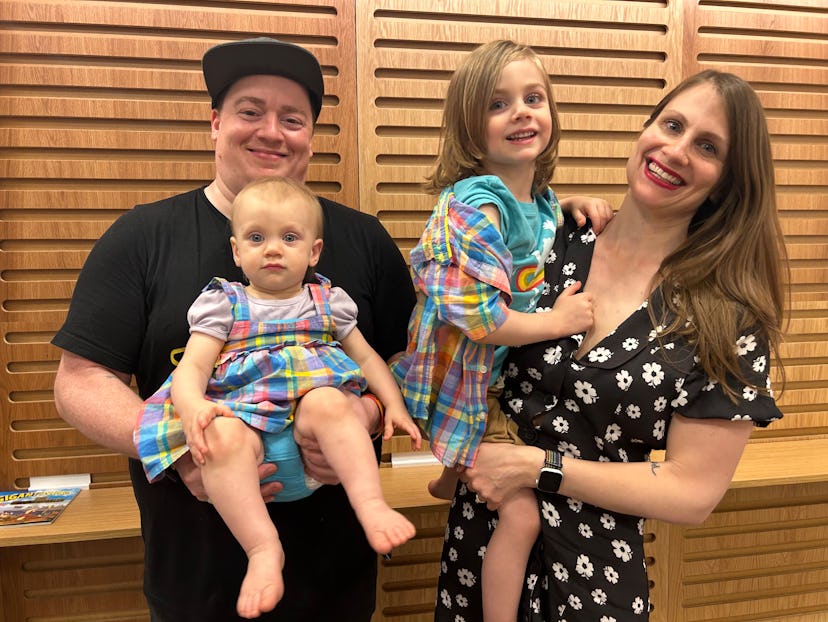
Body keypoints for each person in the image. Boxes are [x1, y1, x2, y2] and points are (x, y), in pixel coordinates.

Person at [51, 37, 416, 622]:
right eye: (250, 111)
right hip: (196, 582)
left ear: (310, 138)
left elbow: (404, 363)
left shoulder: (364, 240)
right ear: (215, 123)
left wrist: (365, 414)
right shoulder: (141, 238)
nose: (271, 131)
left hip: (337, 580)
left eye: (291, 119)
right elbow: (79, 381)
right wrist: (180, 448)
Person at [434, 69, 788, 622]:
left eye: (708, 147)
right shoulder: (552, 240)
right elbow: (458, 321)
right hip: (480, 540)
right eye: (671, 125)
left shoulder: (728, 317)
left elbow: (691, 493)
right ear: (645, 128)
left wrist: (540, 468)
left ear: (728, 183)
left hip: (594, 574)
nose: (675, 151)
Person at [390, 40, 610, 622]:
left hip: (494, 383)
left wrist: (573, 204)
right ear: (469, 128)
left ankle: (449, 474)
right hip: (468, 377)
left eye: (533, 98)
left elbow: (537, 231)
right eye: (498, 103)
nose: (521, 112)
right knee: (522, 516)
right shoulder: (475, 204)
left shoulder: (535, 199)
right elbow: (482, 321)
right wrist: (558, 321)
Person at [134, 176, 422, 618]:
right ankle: (263, 550)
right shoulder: (222, 304)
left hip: (312, 411)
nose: (272, 249)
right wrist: (193, 408)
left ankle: (371, 506)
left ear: (314, 251)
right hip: (246, 415)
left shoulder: (328, 302)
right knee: (222, 438)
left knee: (328, 402)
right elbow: (192, 368)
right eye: (256, 237)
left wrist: (394, 406)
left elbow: (368, 361)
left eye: (289, 237)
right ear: (236, 251)